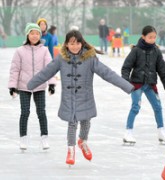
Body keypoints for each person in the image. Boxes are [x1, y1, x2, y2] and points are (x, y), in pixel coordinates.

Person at [27, 30, 134, 165]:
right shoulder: (61, 58)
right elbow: (46, 72)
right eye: (72, 43)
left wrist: (126, 86)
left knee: (85, 122)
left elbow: (107, 73)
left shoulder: (90, 58)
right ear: (66, 44)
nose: (75, 46)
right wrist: (30, 84)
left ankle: (82, 141)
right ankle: (70, 149)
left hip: (86, 97)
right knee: (72, 123)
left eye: (77, 43)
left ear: (82, 43)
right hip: (69, 98)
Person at [8, 23, 56, 151]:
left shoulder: (44, 50)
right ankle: (23, 138)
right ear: (27, 35)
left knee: (41, 112)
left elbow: (50, 68)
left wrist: (51, 84)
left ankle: (44, 137)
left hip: (40, 86)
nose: (34, 36)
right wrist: (13, 86)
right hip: (24, 86)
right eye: (32, 33)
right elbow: (15, 69)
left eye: (37, 33)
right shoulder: (20, 51)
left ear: (40, 35)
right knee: (25, 112)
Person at [121, 25, 165, 144]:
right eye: (150, 37)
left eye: (154, 37)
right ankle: (128, 132)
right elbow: (126, 67)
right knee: (135, 107)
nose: (152, 40)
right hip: (136, 84)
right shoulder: (136, 50)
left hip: (150, 84)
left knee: (158, 107)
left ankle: (161, 131)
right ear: (143, 37)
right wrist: (125, 82)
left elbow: (162, 69)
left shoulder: (156, 51)